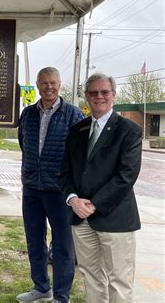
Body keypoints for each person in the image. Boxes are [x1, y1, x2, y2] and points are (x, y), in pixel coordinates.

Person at [60, 73, 142, 303]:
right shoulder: (77, 130)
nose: (99, 96)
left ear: (113, 95)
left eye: (104, 92)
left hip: (115, 219)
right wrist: (73, 200)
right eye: (93, 92)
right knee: (91, 276)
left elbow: (126, 176)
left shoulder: (129, 130)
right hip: (81, 218)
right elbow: (65, 173)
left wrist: (94, 204)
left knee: (119, 281)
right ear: (86, 97)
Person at [17, 67, 84, 303]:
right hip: (32, 188)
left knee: (63, 245)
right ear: (37, 85)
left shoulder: (73, 115)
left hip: (60, 191)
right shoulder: (27, 114)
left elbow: (79, 153)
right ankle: (41, 287)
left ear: (59, 84)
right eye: (44, 83)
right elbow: (24, 145)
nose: (49, 87)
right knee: (34, 240)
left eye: (53, 83)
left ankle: (61, 296)